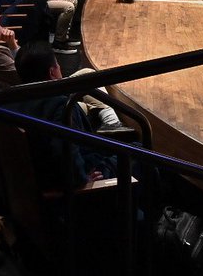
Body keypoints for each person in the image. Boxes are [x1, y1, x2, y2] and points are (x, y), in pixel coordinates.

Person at [11, 42, 121, 189]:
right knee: (140, 155)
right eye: (58, 64)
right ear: (52, 72)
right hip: (74, 188)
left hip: (37, 179)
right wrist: (82, 179)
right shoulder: (62, 107)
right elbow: (65, 154)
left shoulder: (8, 102)